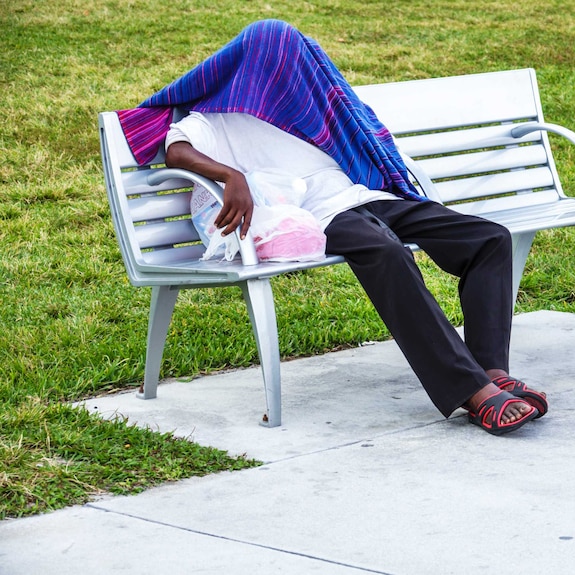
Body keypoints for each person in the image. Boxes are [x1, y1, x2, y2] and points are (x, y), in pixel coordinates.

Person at [121, 19, 548, 435]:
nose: (291, 70)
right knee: (386, 253)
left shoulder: (305, 104)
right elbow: (175, 150)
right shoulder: (215, 116)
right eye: (279, 62)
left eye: (294, 61)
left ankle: (492, 369)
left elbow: (357, 129)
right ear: (252, 64)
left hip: (363, 196)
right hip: (314, 213)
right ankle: (472, 390)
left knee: (489, 238)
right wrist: (232, 176)